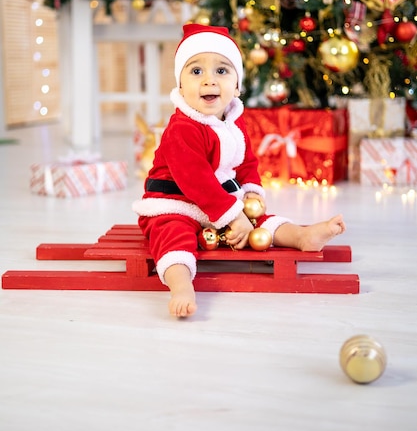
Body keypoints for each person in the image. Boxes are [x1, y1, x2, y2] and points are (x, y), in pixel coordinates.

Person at [132, 24, 346, 318]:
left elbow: (246, 162)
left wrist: (250, 194)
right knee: (173, 236)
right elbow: (196, 182)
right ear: (179, 86)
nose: (209, 81)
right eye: (196, 72)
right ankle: (181, 285)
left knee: (261, 220)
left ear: (237, 86)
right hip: (175, 203)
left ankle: (300, 236)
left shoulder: (234, 121)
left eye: (222, 71)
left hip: (219, 202)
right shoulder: (181, 129)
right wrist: (233, 215)